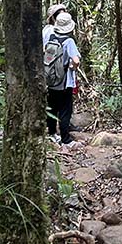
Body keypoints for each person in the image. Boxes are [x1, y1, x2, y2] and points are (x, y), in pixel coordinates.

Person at [44, 11, 80, 144]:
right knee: (65, 111)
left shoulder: (51, 36)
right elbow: (75, 60)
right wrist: (73, 67)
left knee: (52, 108)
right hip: (64, 82)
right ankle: (66, 139)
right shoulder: (69, 41)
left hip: (51, 80)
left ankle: (52, 134)